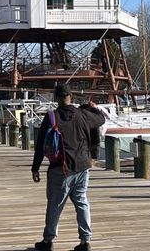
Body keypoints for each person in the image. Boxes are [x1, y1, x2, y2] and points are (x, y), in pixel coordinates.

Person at [32, 84, 105, 251]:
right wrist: (93, 108)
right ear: (71, 97)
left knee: (55, 205)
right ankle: (85, 241)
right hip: (82, 167)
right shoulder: (84, 115)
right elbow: (101, 119)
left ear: (56, 98)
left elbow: (40, 145)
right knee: (82, 202)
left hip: (60, 169)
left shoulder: (52, 117)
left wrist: (35, 168)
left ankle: (48, 240)